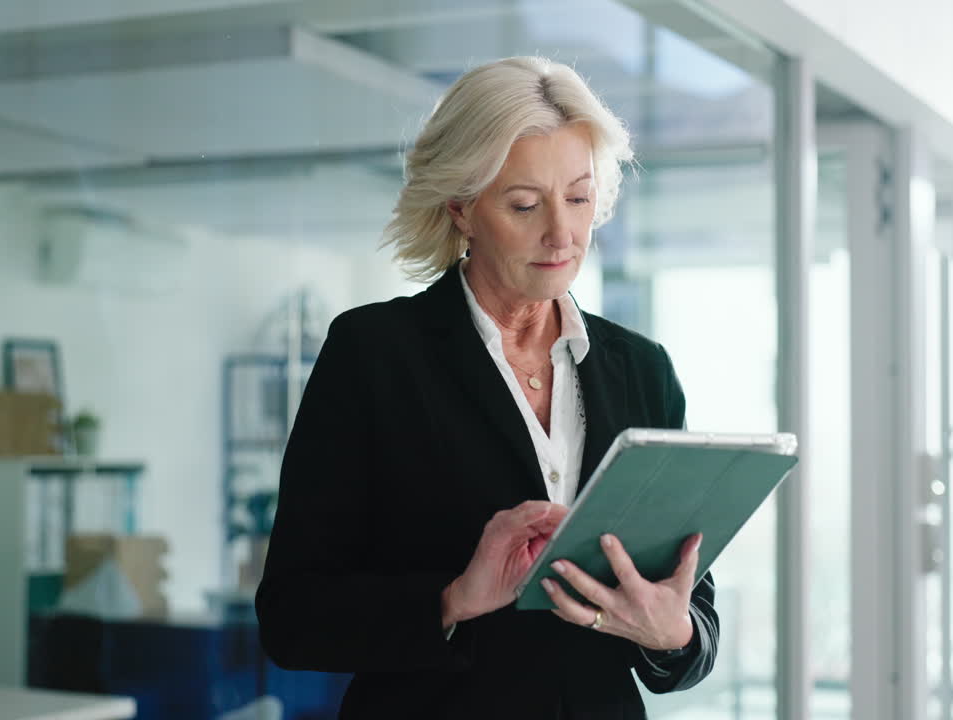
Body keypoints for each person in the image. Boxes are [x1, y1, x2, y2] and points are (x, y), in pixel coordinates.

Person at [256, 56, 718, 719]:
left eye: (580, 198)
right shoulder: (374, 355)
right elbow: (292, 618)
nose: (562, 233)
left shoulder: (642, 370)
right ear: (462, 210)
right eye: (525, 204)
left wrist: (671, 633)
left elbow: (695, 624)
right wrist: (453, 598)